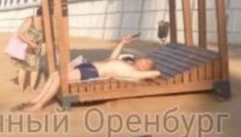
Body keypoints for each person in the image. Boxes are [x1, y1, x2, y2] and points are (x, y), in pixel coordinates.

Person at [16, 34, 160, 111]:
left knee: (60, 78)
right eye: (144, 59)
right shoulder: (127, 64)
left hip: (93, 72)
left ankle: (39, 105)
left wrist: (150, 71)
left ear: (146, 69)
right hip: (89, 66)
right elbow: (111, 58)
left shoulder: (134, 74)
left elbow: (157, 73)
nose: (143, 60)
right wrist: (122, 43)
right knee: (55, 74)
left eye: (146, 62)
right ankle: (37, 100)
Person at [12, 7, 46, 91]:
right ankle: (21, 89)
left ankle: (32, 88)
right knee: (23, 67)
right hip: (25, 47)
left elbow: (42, 38)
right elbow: (20, 34)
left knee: (35, 68)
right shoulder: (30, 20)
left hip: (35, 48)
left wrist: (39, 46)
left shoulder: (45, 24)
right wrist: (31, 43)